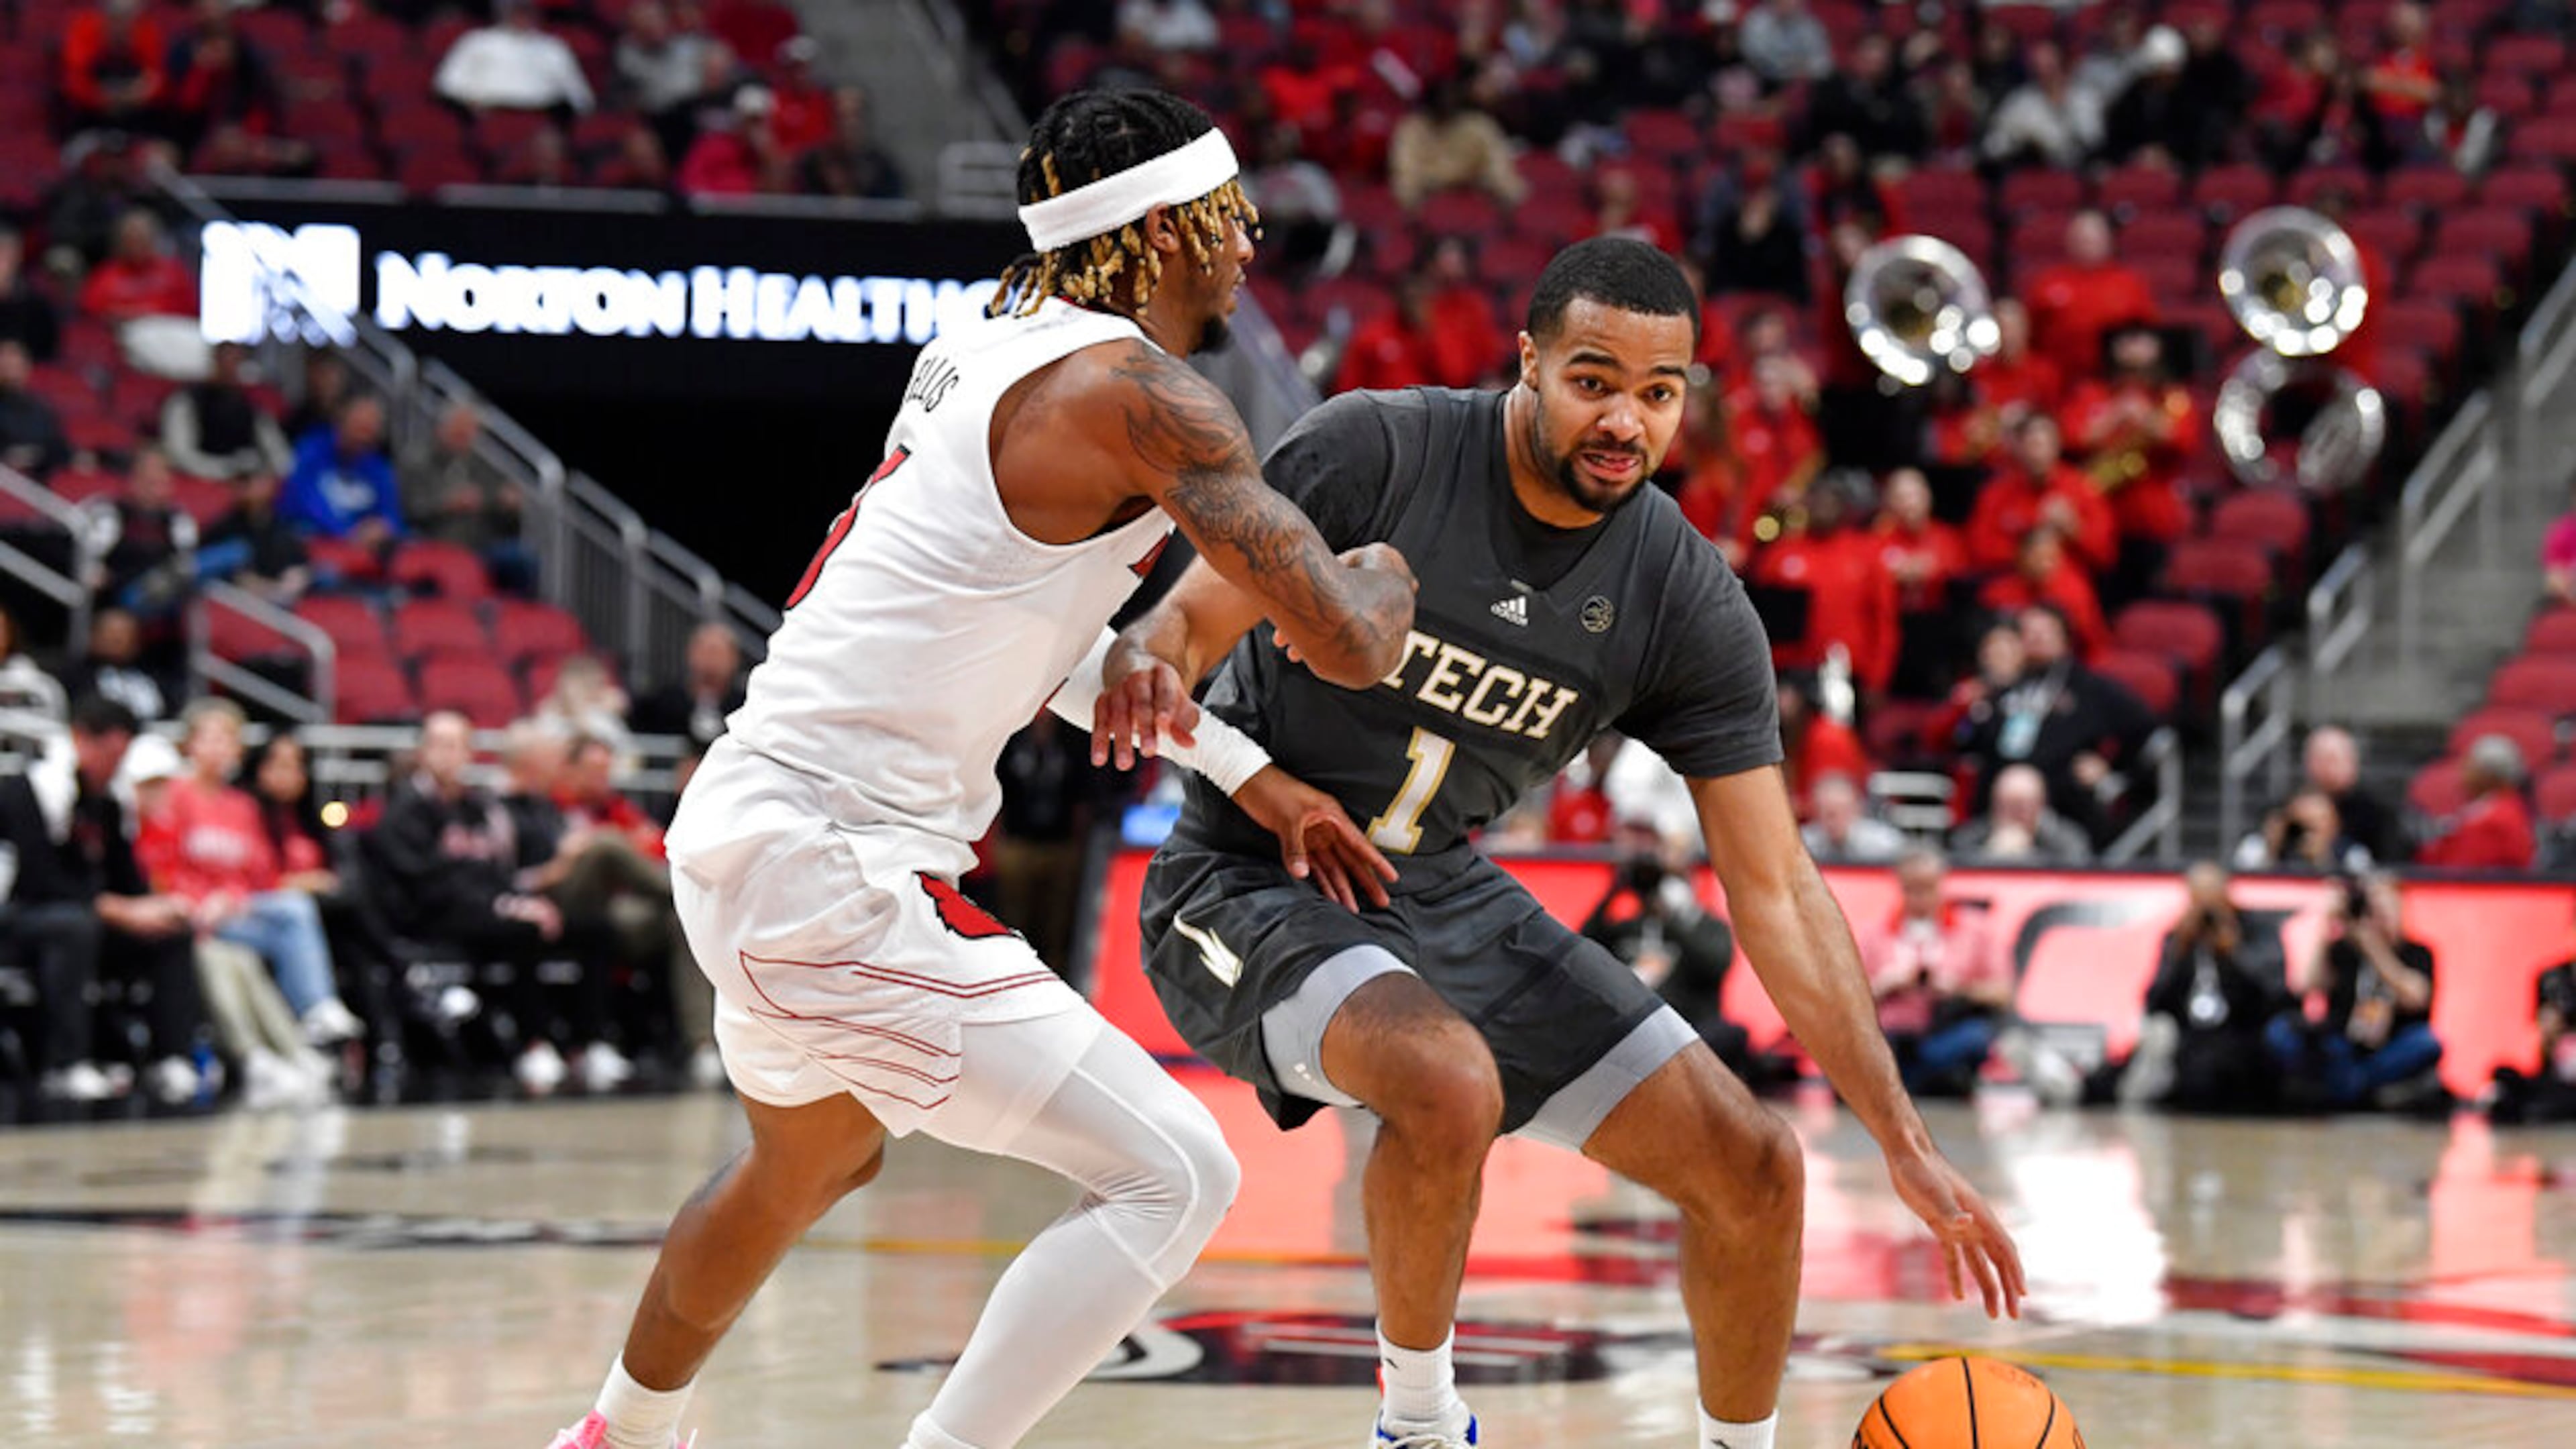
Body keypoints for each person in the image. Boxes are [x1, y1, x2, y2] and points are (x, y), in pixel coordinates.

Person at [544, 88, 1419, 1449]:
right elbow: (1355, 644)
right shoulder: (1143, 396)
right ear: (1158, 230)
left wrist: (1240, 765)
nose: (1250, 238)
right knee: (1173, 1175)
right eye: (1227, 211)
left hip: (757, 824)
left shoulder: (985, 343)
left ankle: (615, 1434)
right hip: (834, 867)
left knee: (806, 1163)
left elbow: (991, 624)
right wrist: (1388, 570)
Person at [1115, 237, 2022, 1449]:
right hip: (1237, 879)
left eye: (1658, 394)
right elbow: (1175, 636)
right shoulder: (1374, 449)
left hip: (1440, 887)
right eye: (1595, 380)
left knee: (1756, 1169)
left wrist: (1902, 1141)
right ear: (1529, 361)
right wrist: (1258, 777)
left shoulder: (1682, 597)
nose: (1625, 421)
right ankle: (1421, 1429)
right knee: (1446, 1082)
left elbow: (1778, 890)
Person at [364, 710, 625, 1097]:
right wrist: (506, 905)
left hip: (485, 906)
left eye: (458, 746)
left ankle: (588, 1044)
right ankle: (534, 1044)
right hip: (431, 917)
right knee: (523, 931)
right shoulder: (404, 809)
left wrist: (519, 899)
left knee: (595, 927)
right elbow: (427, 883)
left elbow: (497, 868)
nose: (449, 755)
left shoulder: (476, 807)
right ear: (423, 752)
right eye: (440, 745)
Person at [0, 695, 209, 1104]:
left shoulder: (108, 803)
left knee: (171, 931)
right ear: (81, 739)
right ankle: (64, 1063)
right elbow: (36, 881)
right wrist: (118, 909)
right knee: (75, 927)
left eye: (122, 756)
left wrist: (155, 905)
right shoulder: (27, 791)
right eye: (109, 753)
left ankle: (172, 1058)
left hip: (89, 916)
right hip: (25, 916)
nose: (113, 765)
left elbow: (125, 878)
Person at [136, 699, 366, 1046]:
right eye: (209, 738)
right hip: (187, 910)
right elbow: (159, 860)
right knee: (292, 912)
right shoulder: (172, 794)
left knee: (295, 911)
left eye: (227, 739)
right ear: (190, 745)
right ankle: (313, 1007)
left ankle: (313, 1014)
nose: (218, 748)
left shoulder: (242, 805)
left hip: (235, 912)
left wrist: (233, 897)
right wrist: (198, 900)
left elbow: (261, 874)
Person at [1578, 816, 1766, 1082]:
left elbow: (1715, 964)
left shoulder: (1707, 926)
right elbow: (1586, 947)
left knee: (1732, 1033)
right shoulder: (1628, 926)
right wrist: (1615, 891)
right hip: (1635, 1027)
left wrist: (1672, 918)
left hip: (1690, 1028)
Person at [2269, 872, 2444, 1110]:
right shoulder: (2344, 949)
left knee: (2425, 1042)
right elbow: (2306, 984)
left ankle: (2351, 1088)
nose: (2380, 918)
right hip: (2343, 1044)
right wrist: (2325, 923)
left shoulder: (2418, 952)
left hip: (2389, 1047)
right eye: (2374, 910)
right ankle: (2366, 1091)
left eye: (2387, 909)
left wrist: (2375, 949)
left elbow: (2416, 997)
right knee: (2286, 1034)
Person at [2120, 862, 2284, 1112]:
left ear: (2228, 894)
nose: (2207, 908)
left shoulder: (2255, 930)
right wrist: (2181, 949)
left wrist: (2234, 951)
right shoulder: (2180, 937)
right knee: (2158, 1037)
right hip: (2191, 1036)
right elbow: (2153, 1000)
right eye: (2199, 898)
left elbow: (2273, 992)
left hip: (2243, 1033)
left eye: (2213, 896)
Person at [1862, 847, 2010, 1096]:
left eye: (1927, 888)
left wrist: (1959, 990)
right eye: (1912, 889)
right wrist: (1884, 985)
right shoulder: (1874, 934)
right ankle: (1921, 1080)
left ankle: (1916, 1081)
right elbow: (1846, 1003)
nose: (1920, 898)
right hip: (1892, 1035)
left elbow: (2002, 993)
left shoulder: (1975, 931)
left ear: (1942, 884)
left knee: (1975, 1038)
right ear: (1899, 887)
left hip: (1945, 1034)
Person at [282, 393, 402, 547]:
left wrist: (384, 527)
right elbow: (305, 500)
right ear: (342, 421)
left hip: (362, 550)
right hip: (312, 540)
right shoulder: (312, 450)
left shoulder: (378, 467)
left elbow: (391, 512)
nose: (363, 437)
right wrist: (349, 532)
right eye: (359, 427)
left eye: (370, 431)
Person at [434, 0, 595, 115]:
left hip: (542, 117)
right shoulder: (476, 41)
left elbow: (580, 97)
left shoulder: (555, 47)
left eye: (526, 10)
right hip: (491, 116)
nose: (522, 17)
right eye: (517, 10)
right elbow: (447, 85)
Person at [162, 340, 292, 482]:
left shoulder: (252, 409)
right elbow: (181, 455)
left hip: (246, 486)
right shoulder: (186, 402)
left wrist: (261, 473)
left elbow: (281, 458)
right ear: (213, 363)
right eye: (224, 361)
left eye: (236, 362)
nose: (230, 369)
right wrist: (226, 469)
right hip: (198, 483)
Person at [2418, 734, 2536, 869]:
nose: (2463, 774)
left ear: (2489, 774)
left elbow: (2461, 869)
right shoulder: (2495, 809)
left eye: (2469, 766)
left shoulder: (2494, 819)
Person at [627, 622, 745, 749]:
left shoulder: (746, 707)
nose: (711, 660)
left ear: (734, 659)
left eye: (717, 653)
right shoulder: (665, 703)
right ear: (691, 654)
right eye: (706, 651)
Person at [1949, 763, 2094, 865]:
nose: (2014, 814)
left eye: (2021, 806)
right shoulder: (1969, 837)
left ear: (2040, 804)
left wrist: (2024, 856)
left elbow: (2074, 874)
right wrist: (1993, 854)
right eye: (2006, 805)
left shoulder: (2069, 839)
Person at [0, 338, 70, 479]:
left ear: (27, 367)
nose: (11, 366)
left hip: (38, 484)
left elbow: (59, 449)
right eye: (5, 362)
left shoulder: (41, 408)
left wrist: (31, 456)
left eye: (16, 360)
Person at [1801, 771, 1906, 863]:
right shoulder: (1802, 845)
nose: (1835, 821)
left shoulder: (1885, 844)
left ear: (1857, 810)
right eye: (1829, 814)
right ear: (1815, 813)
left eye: (1844, 812)